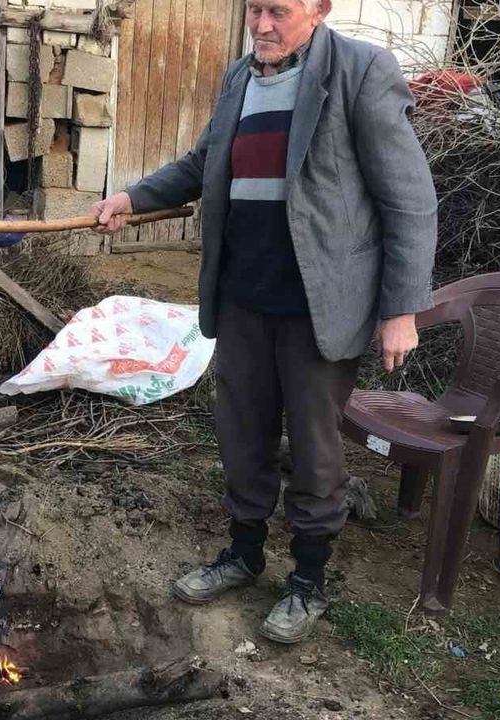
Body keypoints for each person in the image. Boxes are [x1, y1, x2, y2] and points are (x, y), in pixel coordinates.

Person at [91, 0, 437, 644]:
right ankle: (244, 554)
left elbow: (409, 198)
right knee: (242, 434)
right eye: (254, 8)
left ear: (320, 9)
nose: (262, 24)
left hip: (317, 304)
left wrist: (401, 308)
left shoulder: (360, 71)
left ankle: (308, 580)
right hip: (243, 296)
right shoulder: (239, 77)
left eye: (278, 10)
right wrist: (133, 196)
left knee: (313, 446)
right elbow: (202, 165)